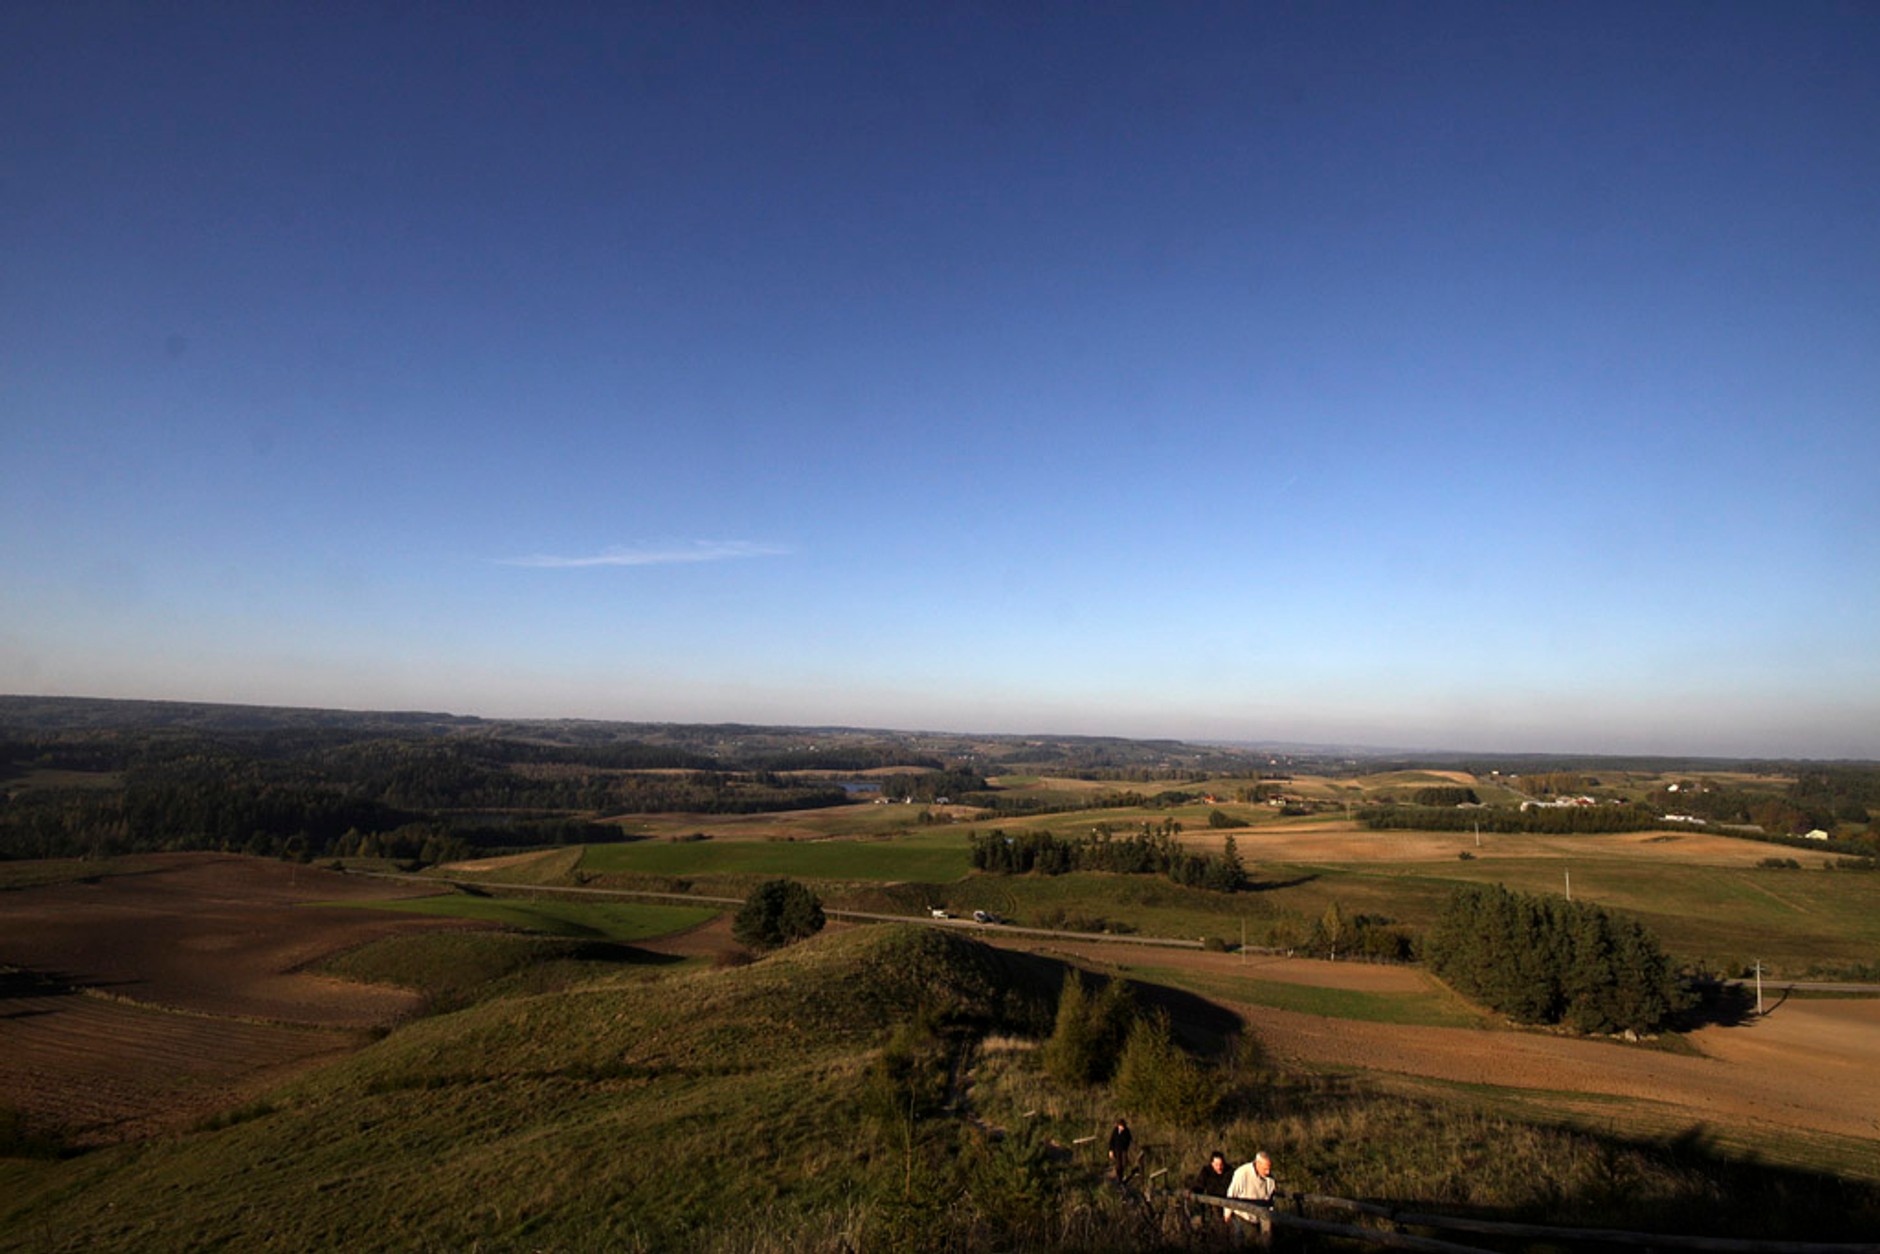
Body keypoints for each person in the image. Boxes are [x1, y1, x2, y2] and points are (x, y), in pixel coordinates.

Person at [1226, 1151, 1279, 1244]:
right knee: (1246, 1240)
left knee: (1265, 1241)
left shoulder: (1270, 1179)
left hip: (1261, 1214)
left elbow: (1271, 1197)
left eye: (1269, 1169)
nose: (1268, 1172)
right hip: (1242, 1214)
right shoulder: (1242, 1173)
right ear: (1258, 1164)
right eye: (1265, 1169)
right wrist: (1227, 1213)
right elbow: (1232, 1193)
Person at [1107, 1117, 1133, 1183]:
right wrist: (1111, 1150)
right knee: (1118, 1164)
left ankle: (1122, 1175)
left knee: (1124, 1163)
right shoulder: (1115, 1131)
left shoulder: (1127, 1131)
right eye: (1121, 1126)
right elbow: (1112, 1141)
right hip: (1117, 1149)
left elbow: (1129, 1139)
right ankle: (1119, 1178)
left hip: (1124, 1149)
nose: (1122, 1127)